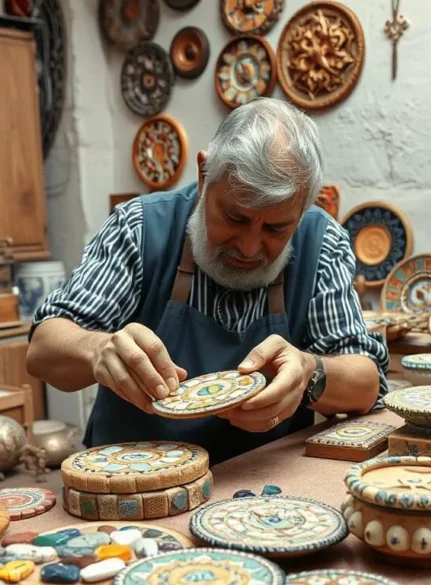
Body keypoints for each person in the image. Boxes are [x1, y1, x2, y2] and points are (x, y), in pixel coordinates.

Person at [26, 98, 389, 464]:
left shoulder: (321, 242)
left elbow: (367, 383)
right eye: (234, 217)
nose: (249, 247)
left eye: (277, 228)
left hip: (265, 492)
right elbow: (43, 350)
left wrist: (312, 373)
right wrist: (96, 350)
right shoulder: (140, 228)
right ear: (204, 176)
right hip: (131, 488)